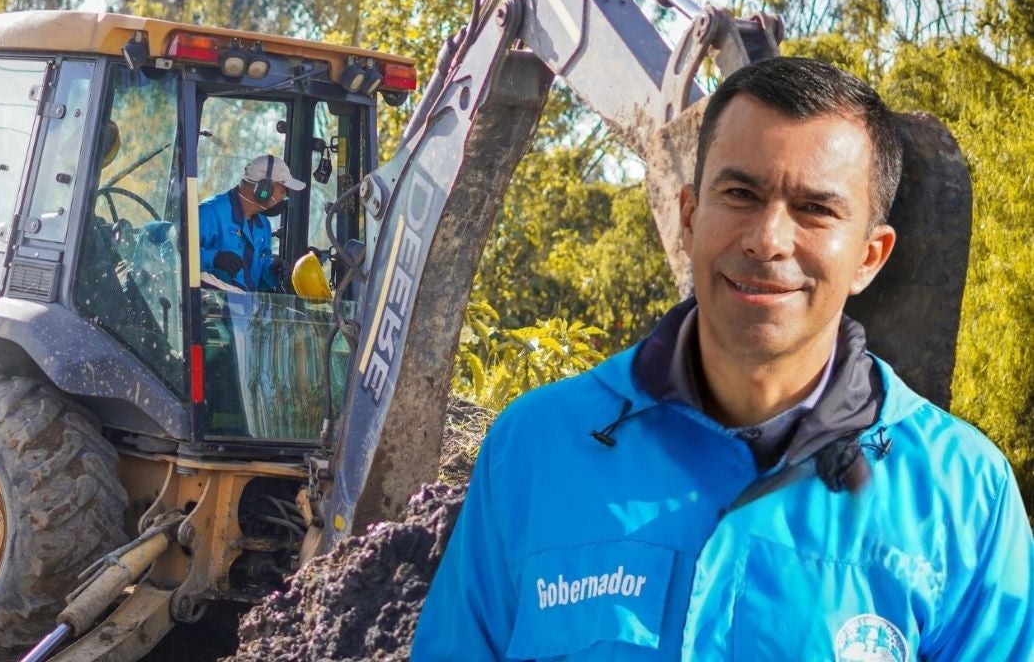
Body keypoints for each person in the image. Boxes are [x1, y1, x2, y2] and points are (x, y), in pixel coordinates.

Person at [413, 57, 1034, 660]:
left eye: (816, 209)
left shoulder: (964, 496)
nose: (768, 240)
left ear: (870, 257)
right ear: (689, 216)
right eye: (741, 193)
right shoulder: (536, 450)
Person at [198, 154, 305, 292]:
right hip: (208, 307)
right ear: (264, 189)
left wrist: (272, 270)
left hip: (245, 308)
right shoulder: (210, 212)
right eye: (283, 190)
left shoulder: (263, 226)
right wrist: (213, 258)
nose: (285, 197)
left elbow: (256, 280)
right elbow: (174, 255)